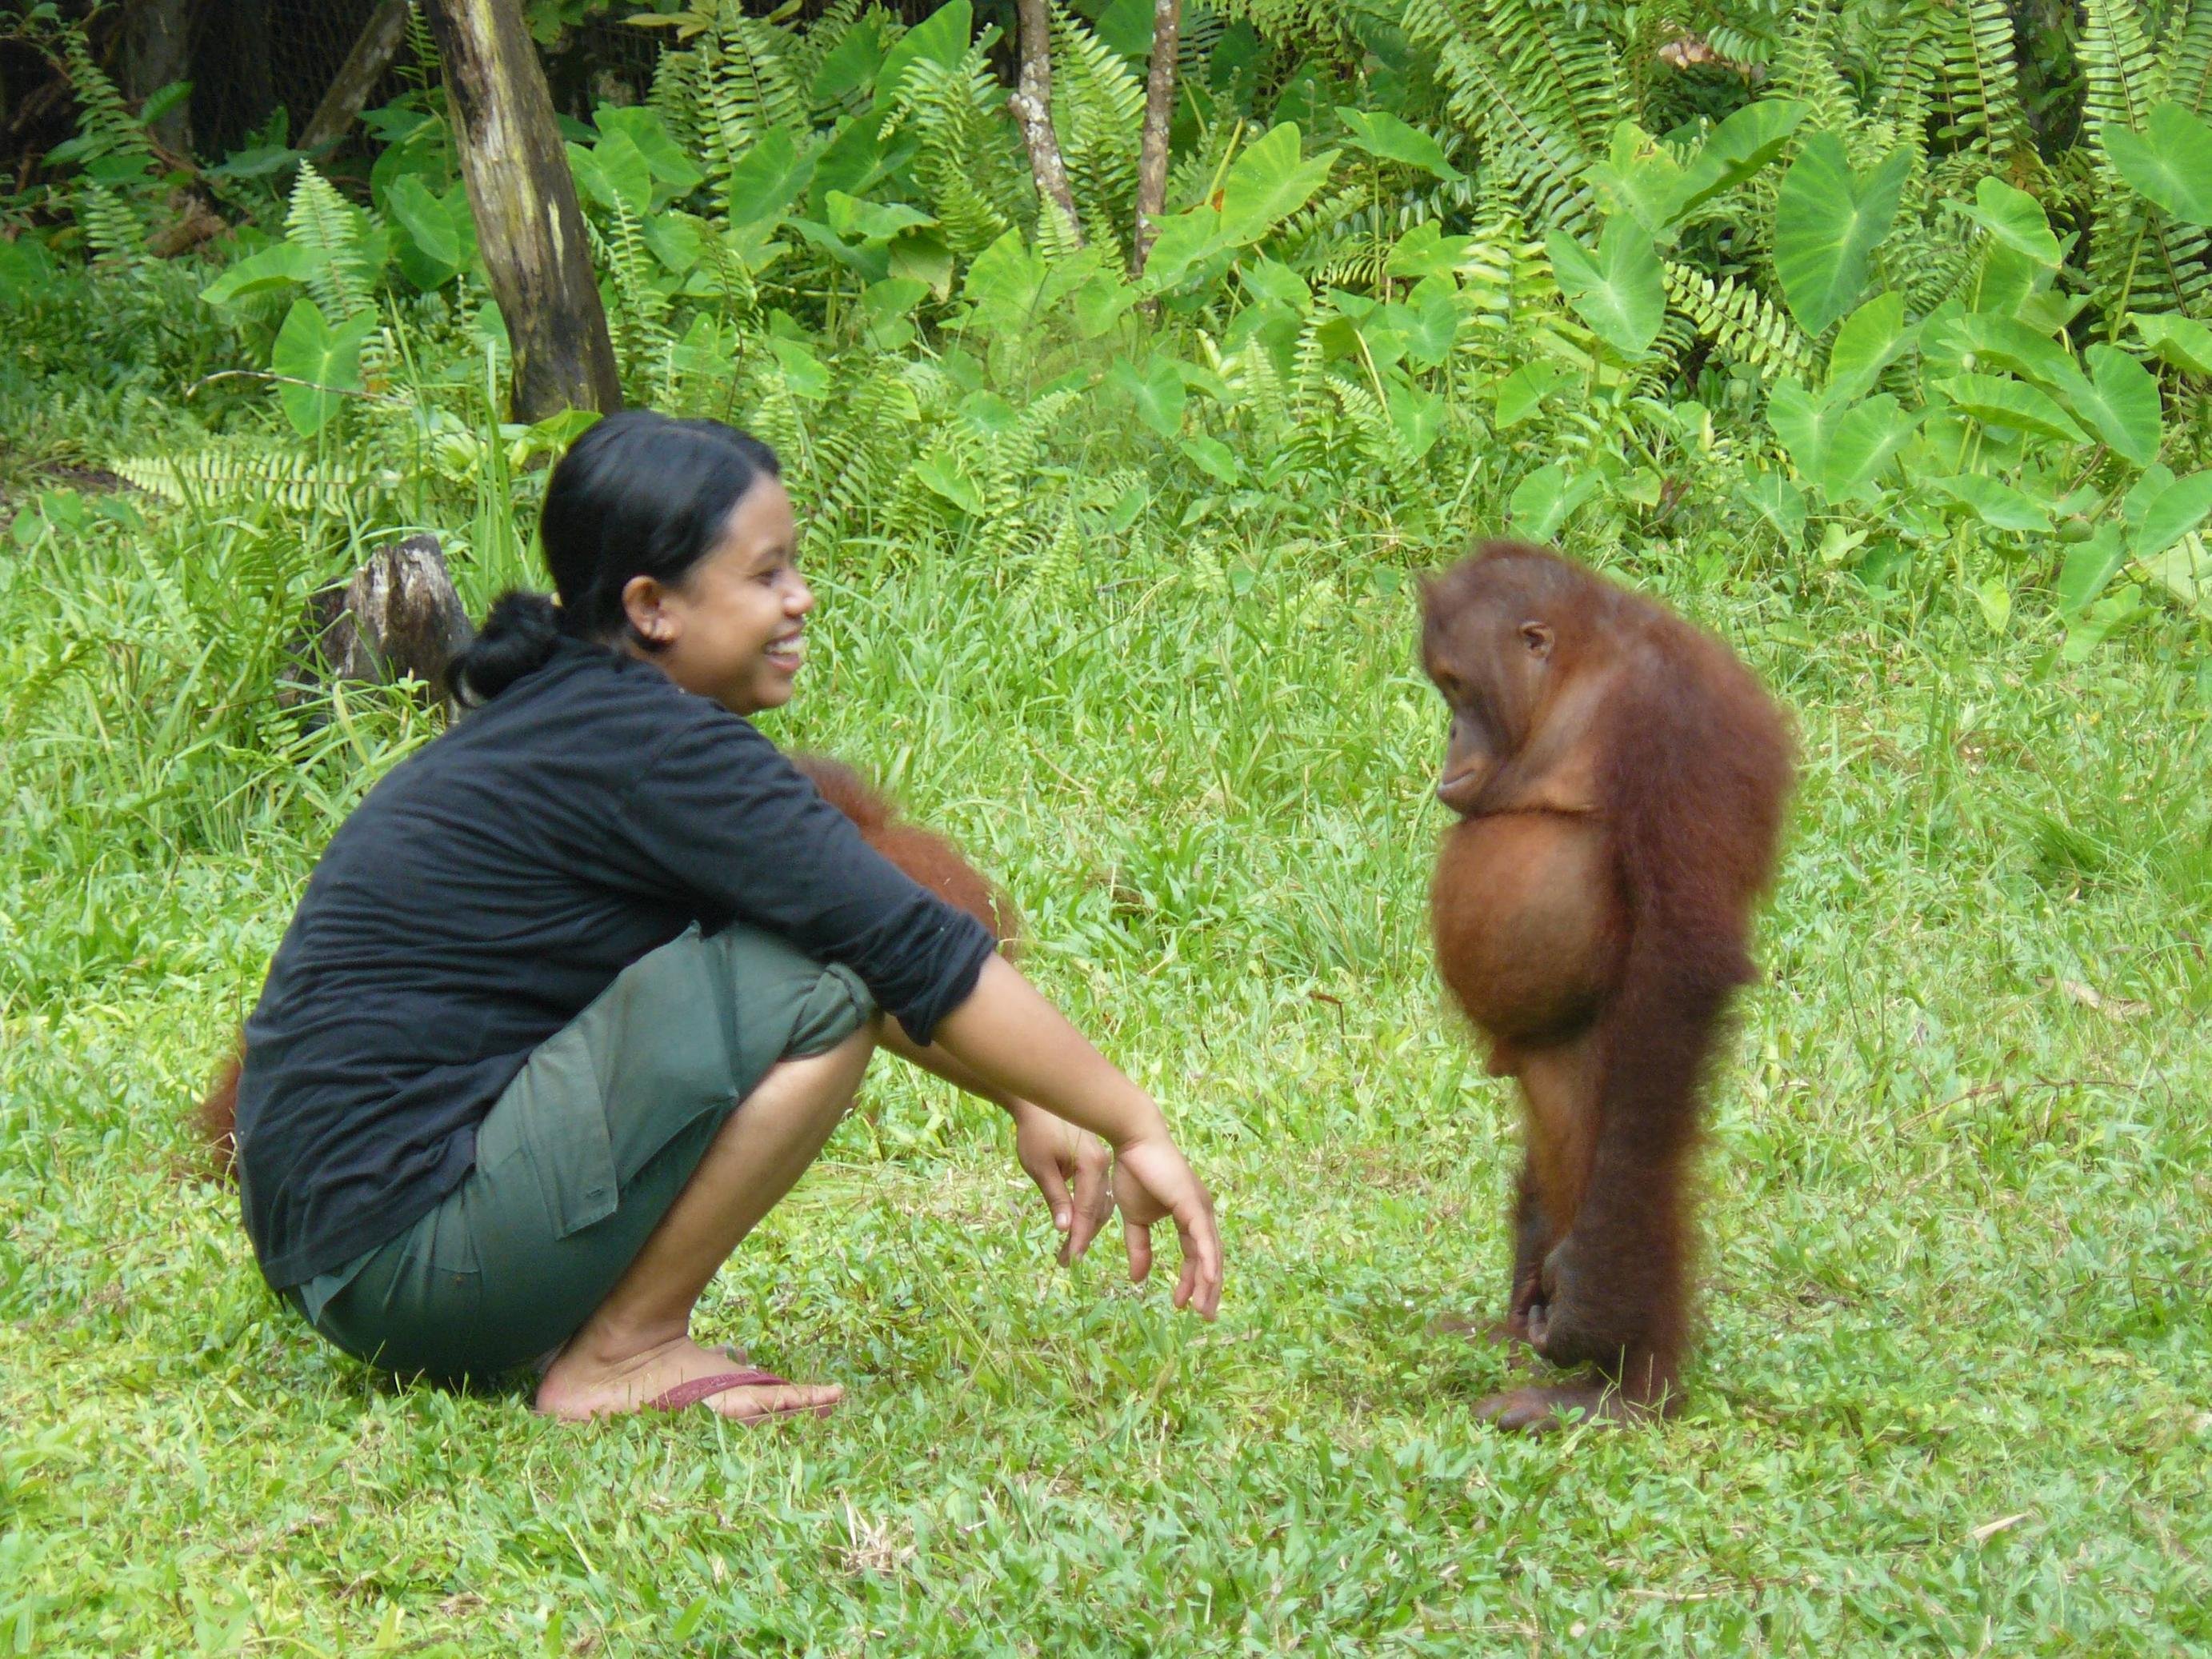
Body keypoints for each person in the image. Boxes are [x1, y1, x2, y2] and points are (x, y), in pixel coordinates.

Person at [233, 410, 1222, 1422]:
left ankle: (602, 1330)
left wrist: (1024, 1097)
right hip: (408, 1262)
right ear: (652, 606)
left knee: (822, 953)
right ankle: (621, 1351)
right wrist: (1131, 1122)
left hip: (348, 1255)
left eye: (794, 568)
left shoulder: (580, 716)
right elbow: (899, 946)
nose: (800, 601)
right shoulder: (656, 746)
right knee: (825, 978)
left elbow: (867, 937)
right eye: (764, 576)